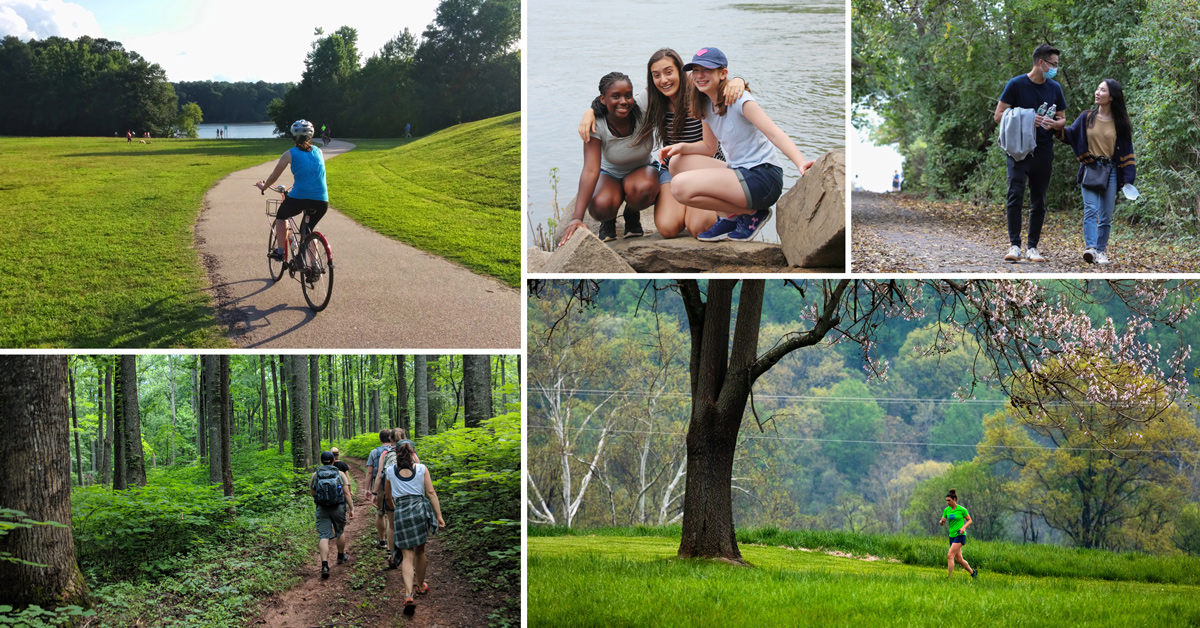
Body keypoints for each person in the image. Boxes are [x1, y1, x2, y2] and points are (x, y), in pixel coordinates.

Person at [576, 49, 747, 239]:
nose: (663, 80)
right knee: (667, 228)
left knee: (700, 227)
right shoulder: (654, 99)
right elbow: (615, 100)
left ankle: (698, 206)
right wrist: (590, 112)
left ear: (680, 72)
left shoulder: (698, 92)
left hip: (704, 166)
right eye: (656, 75)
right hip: (672, 169)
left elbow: (717, 80)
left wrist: (738, 80)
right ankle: (682, 204)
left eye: (669, 72)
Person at [661, 47, 814, 242]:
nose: (699, 76)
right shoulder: (706, 104)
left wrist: (800, 162)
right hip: (739, 172)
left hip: (763, 177)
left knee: (679, 187)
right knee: (676, 163)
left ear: (723, 73)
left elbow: (774, 133)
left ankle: (752, 213)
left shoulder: (740, 99)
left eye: (706, 70)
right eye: (696, 70)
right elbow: (709, 148)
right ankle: (729, 218)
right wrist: (680, 147)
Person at [558, 71, 660, 245]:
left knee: (644, 189)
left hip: (642, 170)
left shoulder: (643, 105)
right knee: (601, 206)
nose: (624, 101)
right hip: (610, 174)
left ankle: (631, 212)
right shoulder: (596, 123)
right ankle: (608, 221)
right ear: (603, 99)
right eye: (616, 96)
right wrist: (577, 218)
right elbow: (590, 170)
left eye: (628, 95)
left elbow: (670, 80)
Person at [993, 43, 1067, 263]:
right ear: (1041, 62)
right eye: (1053, 64)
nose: (1055, 68)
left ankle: (1032, 247)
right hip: (1017, 150)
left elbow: (1062, 118)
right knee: (1015, 195)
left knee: (1039, 201)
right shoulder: (1016, 84)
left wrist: (1054, 124)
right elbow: (998, 115)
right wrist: (1027, 117)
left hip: (1043, 150)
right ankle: (1014, 245)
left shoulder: (1055, 88)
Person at [1056, 79, 1135, 265]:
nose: (1097, 93)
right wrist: (1056, 126)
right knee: (1091, 209)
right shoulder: (1086, 117)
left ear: (1112, 96)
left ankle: (1101, 251)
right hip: (1090, 168)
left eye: (1103, 90)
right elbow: (1070, 135)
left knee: (1106, 215)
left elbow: (1127, 151)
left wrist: (1128, 178)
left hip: (1111, 171)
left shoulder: (1120, 123)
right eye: (1098, 89)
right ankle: (1090, 249)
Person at [254, 119, 329, 267]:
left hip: (300, 197)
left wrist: (263, 187)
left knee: (281, 216)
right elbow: (312, 175)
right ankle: (314, 266)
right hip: (322, 200)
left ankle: (280, 251)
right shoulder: (319, 151)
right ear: (310, 137)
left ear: (293, 137)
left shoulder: (289, 154)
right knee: (307, 230)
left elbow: (273, 177)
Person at [383, 442, 445, 615]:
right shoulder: (422, 469)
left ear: (396, 454)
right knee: (420, 551)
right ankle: (421, 586)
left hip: (401, 511)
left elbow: (387, 497)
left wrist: (396, 510)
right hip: (419, 511)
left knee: (407, 556)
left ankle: (408, 594)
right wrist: (439, 516)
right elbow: (431, 493)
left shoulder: (389, 471)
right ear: (413, 454)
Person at [310, 450, 354, 579]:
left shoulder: (316, 474)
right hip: (338, 507)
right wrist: (351, 508)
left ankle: (324, 565)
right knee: (340, 531)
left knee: (323, 536)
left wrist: (320, 501)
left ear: (321, 461)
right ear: (334, 460)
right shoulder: (339, 474)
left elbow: (313, 492)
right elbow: (346, 493)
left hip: (322, 508)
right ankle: (340, 556)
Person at [365, 430, 394, 550]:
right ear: (391, 439)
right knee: (392, 513)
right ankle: (393, 542)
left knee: (380, 513)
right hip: (396, 487)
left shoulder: (375, 452)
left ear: (380, 439)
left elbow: (369, 472)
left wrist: (368, 489)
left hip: (381, 486)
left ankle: (382, 540)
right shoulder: (397, 450)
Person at [938, 489, 977, 579]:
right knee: (959, 560)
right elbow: (942, 522)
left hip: (960, 535)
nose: (947, 502)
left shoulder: (961, 509)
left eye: (949, 500)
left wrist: (963, 528)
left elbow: (969, 520)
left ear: (954, 499)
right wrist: (941, 522)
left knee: (950, 556)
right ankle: (973, 573)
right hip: (951, 536)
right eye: (946, 500)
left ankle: (949, 577)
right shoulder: (946, 510)